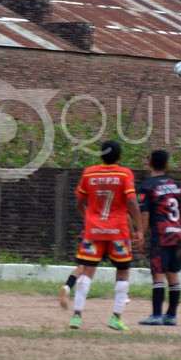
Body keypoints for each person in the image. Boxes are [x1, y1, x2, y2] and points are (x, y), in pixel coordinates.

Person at [68, 140, 142, 331]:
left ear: (101, 155)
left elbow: (79, 203)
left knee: (87, 271)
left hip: (94, 232)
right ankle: (116, 317)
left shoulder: (89, 173)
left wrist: (89, 220)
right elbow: (132, 202)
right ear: (119, 157)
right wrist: (139, 228)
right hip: (118, 232)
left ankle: (76, 316)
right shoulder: (124, 174)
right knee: (123, 271)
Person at [136, 149, 181, 326]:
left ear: (149, 163)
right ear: (167, 165)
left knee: (158, 274)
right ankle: (171, 316)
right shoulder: (176, 185)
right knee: (173, 275)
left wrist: (141, 234)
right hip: (178, 233)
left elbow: (145, 214)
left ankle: (156, 315)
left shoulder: (147, 186)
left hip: (161, 235)